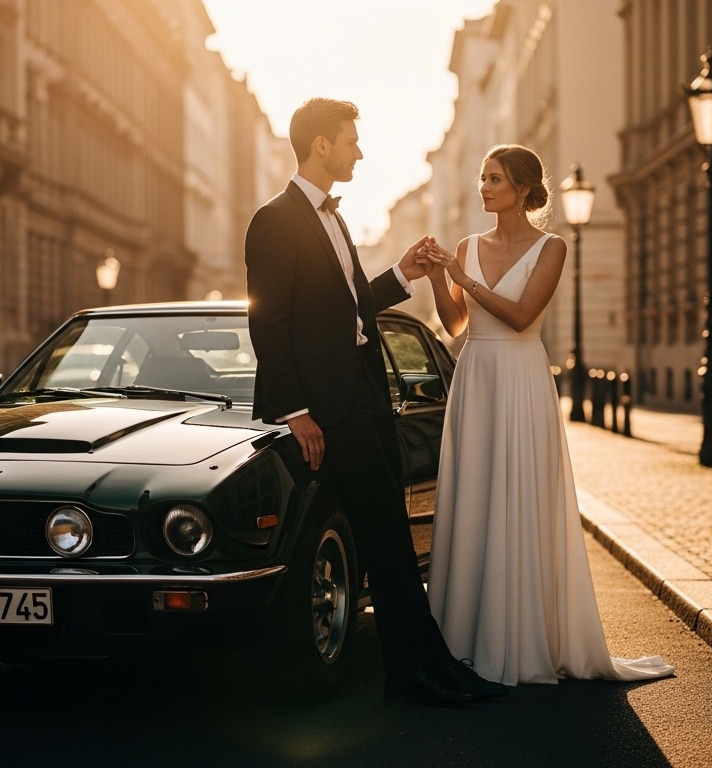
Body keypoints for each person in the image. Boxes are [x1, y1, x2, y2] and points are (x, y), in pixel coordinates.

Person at [245, 98, 507, 706]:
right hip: (328, 409)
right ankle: (421, 672)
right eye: (350, 140)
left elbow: (356, 307)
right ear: (320, 146)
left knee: (386, 538)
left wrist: (404, 272)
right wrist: (296, 411)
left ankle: (419, 668)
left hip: (365, 395)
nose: (359, 151)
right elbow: (271, 324)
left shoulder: (335, 221)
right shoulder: (275, 220)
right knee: (386, 538)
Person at [422, 144, 675, 686]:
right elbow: (454, 326)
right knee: (476, 491)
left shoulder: (551, 248)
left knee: (520, 492)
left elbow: (520, 316)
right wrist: (434, 278)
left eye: (494, 179)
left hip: (520, 379)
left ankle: (522, 631)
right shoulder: (467, 245)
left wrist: (460, 279)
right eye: (482, 177)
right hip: (477, 377)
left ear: (520, 187)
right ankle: (464, 633)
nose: (483, 187)